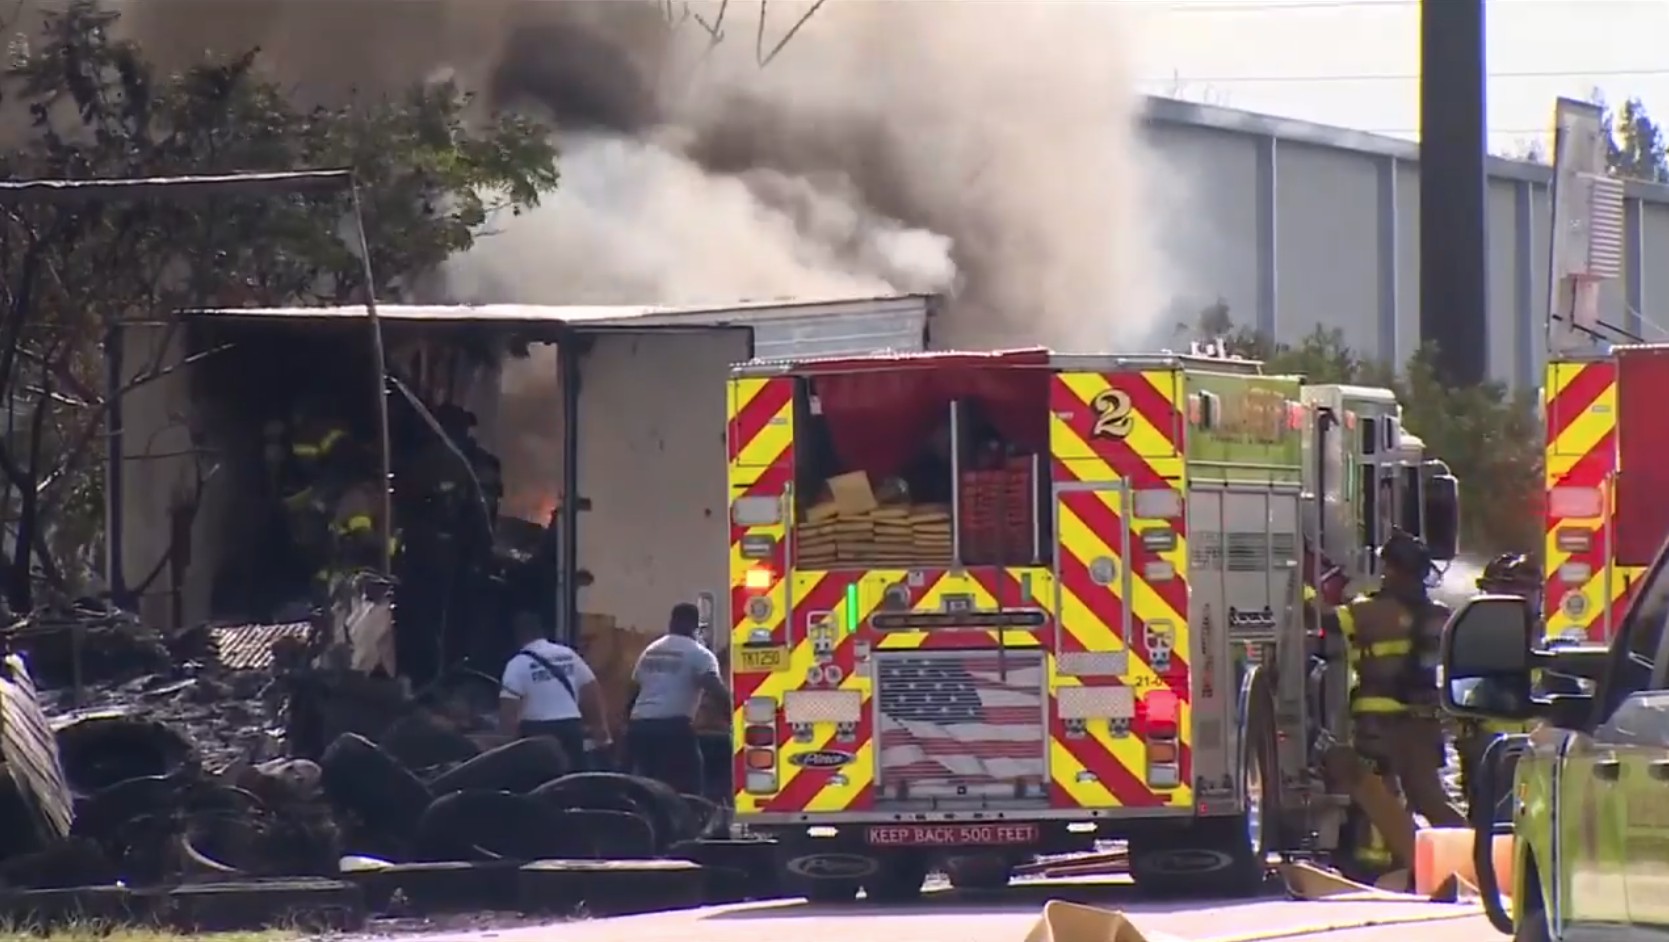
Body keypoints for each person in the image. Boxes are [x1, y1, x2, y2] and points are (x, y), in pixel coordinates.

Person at [1321, 529, 1467, 868]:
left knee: (1379, 795)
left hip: (1378, 726)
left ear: (1393, 570)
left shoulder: (1366, 612)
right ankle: (1471, 857)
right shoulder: (1440, 616)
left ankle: (1378, 864)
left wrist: (1312, 586)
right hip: (1424, 725)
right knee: (1430, 799)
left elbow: (1322, 621)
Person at [626, 602, 730, 796]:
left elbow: (634, 689)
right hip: (673, 728)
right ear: (695, 626)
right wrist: (734, 718)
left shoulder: (650, 651)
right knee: (688, 786)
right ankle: (687, 822)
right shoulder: (699, 654)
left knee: (647, 785)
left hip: (639, 726)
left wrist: (628, 725)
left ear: (671, 622)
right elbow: (715, 690)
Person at [500, 612, 611, 769]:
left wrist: (507, 743)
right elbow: (590, 688)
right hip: (571, 728)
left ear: (519, 636)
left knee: (541, 782)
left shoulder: (517, 664)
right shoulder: (568, 654)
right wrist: (600, 727)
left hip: (537, 733)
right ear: (541, 631)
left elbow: (509, 707)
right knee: (573, 780)